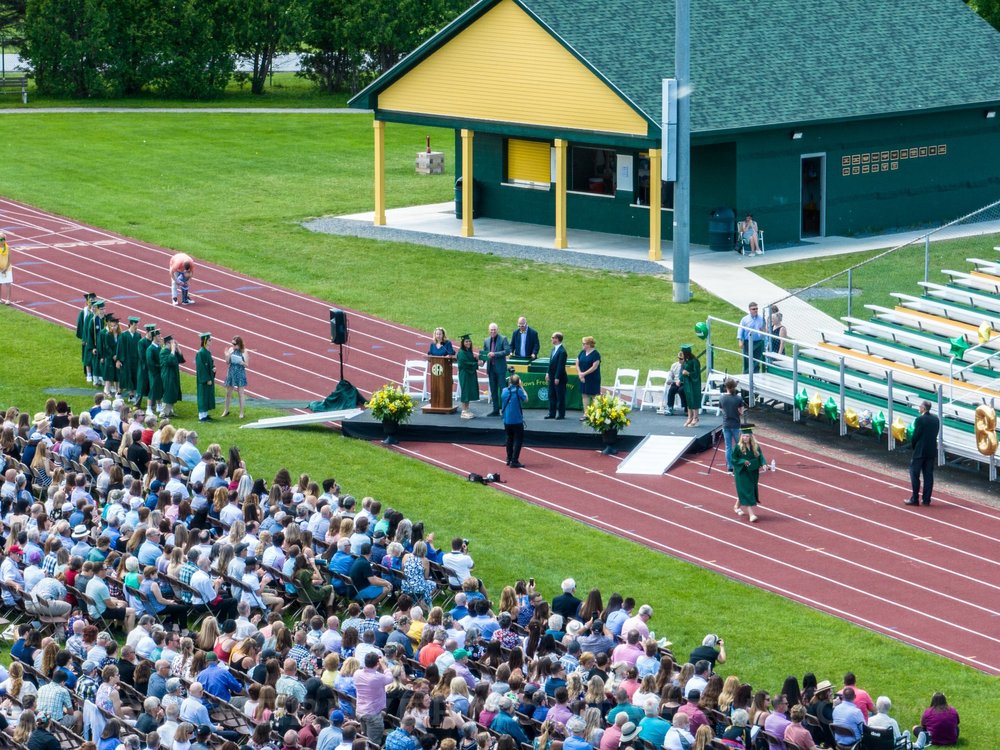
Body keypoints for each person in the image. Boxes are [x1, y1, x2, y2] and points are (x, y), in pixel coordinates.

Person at [731, 426, 769, 522]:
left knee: (749, 490)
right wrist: (743, 461)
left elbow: (761, 456)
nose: (745, 438)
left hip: (753, 472)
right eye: (743, 436)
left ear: (751, 437)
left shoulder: (755, 446)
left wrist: (764, 464)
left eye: (747, 436)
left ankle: (736, 506)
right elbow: (733, 459)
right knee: (747, 491)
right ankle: (751, 515)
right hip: (742, 473)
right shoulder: (738, 447)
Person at [905, 400, 939, 507]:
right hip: (931, 450)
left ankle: (915, 498)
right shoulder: (936, 420)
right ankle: (926, 499)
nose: (919, 408)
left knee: (914, 473)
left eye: (920, 407)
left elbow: (916, 435)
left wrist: (914, 446)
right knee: (928, 475)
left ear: (923, 408)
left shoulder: (920, 420)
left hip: (920, 451)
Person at [481, 323, 510, 416]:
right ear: (488, 330)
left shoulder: (503, 339)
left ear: (497, 330)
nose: (493, 331)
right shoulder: (486, 340)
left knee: (503, 390)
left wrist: (495, 354)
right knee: (493, 390)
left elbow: (507, 351)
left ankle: (505, 410)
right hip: (491, 369)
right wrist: (482, 361)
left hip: (500, 369)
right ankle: (495, 410)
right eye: (491, 330)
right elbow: (485, 354)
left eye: (494, 329)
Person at [501, 374, 527, 469]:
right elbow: (526, 399)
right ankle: (514, 460)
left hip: (507, 420)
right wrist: (522, 387)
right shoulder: (519, 391)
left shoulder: (504, 391)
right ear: (518, 382)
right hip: (517, 420)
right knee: (518, 440)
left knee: (509, 439)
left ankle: (508, 458)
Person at [719, 378, 744, 472]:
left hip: (726, 424)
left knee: (728, 447)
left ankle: (730, 466)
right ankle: (739, 463)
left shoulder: (722, 397)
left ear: (726, 387)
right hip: (736, 424)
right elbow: (741, 412)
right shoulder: (738, 398)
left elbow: (722, 410)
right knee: (739, 445)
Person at [222, 336, 249, 420]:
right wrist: (227, 354)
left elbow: (247, 365)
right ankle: (226, 410)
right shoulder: (231, 350)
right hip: (231, 372)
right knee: (228, 393)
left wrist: (242, 362)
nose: (232, 345)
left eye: (234, 344)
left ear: (239, 344)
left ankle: (241, 413)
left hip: (240, 372)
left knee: (240, 393)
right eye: (232, 343)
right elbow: (227, 362)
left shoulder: (244, 351)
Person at [159, 336, 184, 418]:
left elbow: (180, 359)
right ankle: (163, 413)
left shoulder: (171, 351)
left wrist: (178, 348)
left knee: (173, 393)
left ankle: (169, 411)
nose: (173, 344)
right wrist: (173, 350)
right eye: (172, 343)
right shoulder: (163, 352)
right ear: (167, 343)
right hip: (167, 375)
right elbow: (170, 361)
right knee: (168, 393)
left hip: (173, 375)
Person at [737, 302, 766, 374]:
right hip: (747, 343)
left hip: (758, 342)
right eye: (754, 309)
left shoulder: (761, 319)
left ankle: (756, 375)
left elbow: (765, 330)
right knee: (747, 360)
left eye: (756, 309)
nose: (755, 310)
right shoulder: (744, 319)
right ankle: (746, 374)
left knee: (756, 361)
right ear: (749, 310)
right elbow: (740, 330)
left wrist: (763, 331)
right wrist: (740, 341)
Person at [455, 335, 480, 420]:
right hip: (465, 374)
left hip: (470, 374)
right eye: (466, 341)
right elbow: (465, 364)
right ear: (463, 343)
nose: (468, 343)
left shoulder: (468, 351)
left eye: (469, 341)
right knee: (465, 391)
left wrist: (476, 359)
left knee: (468, 391)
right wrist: (476, 364)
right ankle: (463, 411)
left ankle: (467, 409)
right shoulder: (461, 352)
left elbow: (470, 361)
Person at [545, 332, 568, 420]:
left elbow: (561, 366)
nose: (551, 339)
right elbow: (551, 363)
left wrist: (557, 377)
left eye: (553, 337)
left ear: (557, 339)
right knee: (551, 395)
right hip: (551, 377)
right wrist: (547, 373)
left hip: (559, 378)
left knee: (560, 396)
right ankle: (552, 413)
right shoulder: (553, 349)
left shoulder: (562, 352)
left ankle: (561, 414)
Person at [576, 336, 601, 415]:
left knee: (594, 396)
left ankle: (596, 414)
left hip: (593, 378)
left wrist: (583, 374)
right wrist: (580, 373)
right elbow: (577, 363)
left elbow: (594, 367)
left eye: (584, 344)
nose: (582, 345)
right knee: (584, 395)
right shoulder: (582, 352)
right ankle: (586, 413)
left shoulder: (595, 354)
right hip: (583, 377)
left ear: (589, 344)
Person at [195, 333, 216, 423]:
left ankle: (205, 415)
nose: (211, 341)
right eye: (209, 340)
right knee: (203, 396)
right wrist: (207, 379)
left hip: (209, 378)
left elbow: (211, 363)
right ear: (205, 341)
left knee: (207, 396)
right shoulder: (201, 353)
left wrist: (213, 368)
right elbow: (201, 368)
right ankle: (201, 416)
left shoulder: (207, 351)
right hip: (204, 380)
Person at [679, 344, 701, 427]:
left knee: (694, 399)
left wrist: (688, 373)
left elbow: (696, 373)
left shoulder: (695, 361)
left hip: (694, 383)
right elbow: (682, 369)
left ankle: (696, 417)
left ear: (687, 353)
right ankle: (690, 417)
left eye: (683, 353)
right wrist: (681, 379)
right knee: (689, 399)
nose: (682, 354)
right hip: (687, 383)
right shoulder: (686, 361)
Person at [665, 352, 686, 416]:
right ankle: (670, 407)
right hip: (675, 382)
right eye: (679, 358)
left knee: (681, 390)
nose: (680, 360)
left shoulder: (686, 366)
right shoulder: (674, 365)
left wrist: (680, 381)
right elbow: (670, 374)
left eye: (681, 359)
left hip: (684, 383)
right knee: (672, 390)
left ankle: (686, 407)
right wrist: (669, 380)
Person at [0, 232, 12, 305]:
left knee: (8, 284)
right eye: (0, 239)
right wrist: (1, 269)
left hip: (7, 268)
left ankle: (8, 299)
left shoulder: (8, 248)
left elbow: (9, 259)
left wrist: (6, 268)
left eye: (3, 239)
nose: (1, 240)